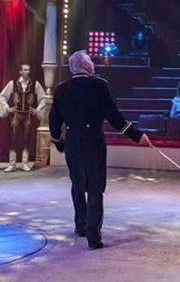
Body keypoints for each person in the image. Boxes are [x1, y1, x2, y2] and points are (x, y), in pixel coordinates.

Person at [49, 51, 150, 250]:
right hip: (92, 141)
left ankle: (81, 225)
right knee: (95, 187)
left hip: (72, 141)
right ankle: (92, 236)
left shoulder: (62, 89)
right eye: (91, 61)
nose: (94, 64)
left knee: (77, 183)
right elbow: (114, 116)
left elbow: (54, 120)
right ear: (85, 66)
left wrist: (59, 142)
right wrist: (137, 136)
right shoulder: (98, 86)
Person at [0, 64, 46, 172]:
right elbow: (2, 96)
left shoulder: (35, 84)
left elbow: (43, 98)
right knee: (13, 138)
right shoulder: (13, 83)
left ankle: (24, 163)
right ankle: (12, 164)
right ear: (20, 71)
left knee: (26, 138)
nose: (27, 72)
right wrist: (7, 108)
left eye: (29, 70)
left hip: (28, 115)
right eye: (25, 70)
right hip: (16, 114)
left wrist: (37, 110)